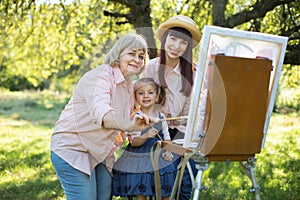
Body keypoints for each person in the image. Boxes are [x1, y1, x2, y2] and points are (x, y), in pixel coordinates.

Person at [50, 33, 159, 200]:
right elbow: (104, 115)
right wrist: (130, 125)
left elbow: (128, 116)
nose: (137, 59)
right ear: (118, 53)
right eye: (131, 53)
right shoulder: (99, 76)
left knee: (104, 196)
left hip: (100, 152)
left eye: (141, 56)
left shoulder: (128, 85)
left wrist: (139, 121)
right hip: (73, 148)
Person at [141, 15, 201, 199]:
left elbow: (192, 113)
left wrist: (178, 144)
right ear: (165, 39)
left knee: (186, 178)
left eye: (183, 42)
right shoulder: (151, 67)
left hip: (182, 133)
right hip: (155, 130)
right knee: (158, 179)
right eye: (173, 39)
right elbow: (141, 101)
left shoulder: (193, 73)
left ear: (188, 47)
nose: (176, 46)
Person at [112, 77, 177, 200]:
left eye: (150, 93)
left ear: (157, 97)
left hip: (158, 156)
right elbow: (134, 142)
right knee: (140, 185)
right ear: (136, 97)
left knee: (164, 188)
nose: (146, 96)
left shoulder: (160, 117)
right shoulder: (137, 117)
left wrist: (168, 152)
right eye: (141, 93)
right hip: (140, 158)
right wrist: (146, 136)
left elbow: (166, 138)